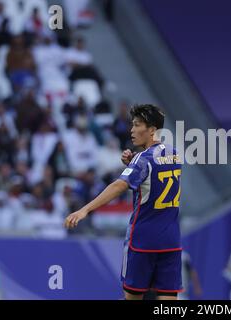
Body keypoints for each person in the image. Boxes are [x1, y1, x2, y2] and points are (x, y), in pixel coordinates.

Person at [64, 104, 183, 300]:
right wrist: (134, 162)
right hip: (171, 240)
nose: (132, 130)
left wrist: (84, 210)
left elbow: (118, 186)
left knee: (132, 298)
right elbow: (155, 171)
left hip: (142, 240)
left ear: (152, 130)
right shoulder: (175, 154)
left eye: (137, 125)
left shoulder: (142, 161)